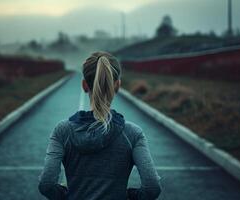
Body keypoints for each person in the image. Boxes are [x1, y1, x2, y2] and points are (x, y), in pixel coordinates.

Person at [38, 51, 162, 200]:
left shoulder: (63, 131)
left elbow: (46, 185)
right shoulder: (133, 133)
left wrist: (67, 195)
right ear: (117, 85)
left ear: (84, 85)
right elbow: (152, 187)